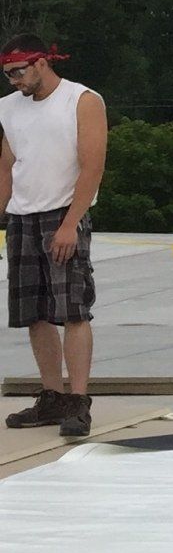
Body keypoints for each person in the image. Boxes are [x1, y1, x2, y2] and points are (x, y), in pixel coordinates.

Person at [2, 34, 108, 442]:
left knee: (73, 309)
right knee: (35, 313)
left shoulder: (81, 100)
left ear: (41, 62)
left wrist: (70, 224)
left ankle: (78, 401)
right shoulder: (9, 108)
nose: (14, 81)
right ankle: (51, 397)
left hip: (64, 213)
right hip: (22, 217)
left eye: (18, 72)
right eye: (8, 75)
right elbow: (7, 167)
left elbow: (92, 166)